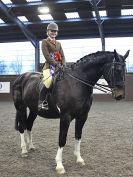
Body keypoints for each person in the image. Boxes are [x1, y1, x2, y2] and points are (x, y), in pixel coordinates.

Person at [38, 22, 66, 110]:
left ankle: (61, 102)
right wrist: (56, 64)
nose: (54, 32)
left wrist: (63, 65)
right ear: (48, 31)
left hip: (60, 67)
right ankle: (42, 102)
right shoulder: (44, 42)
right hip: (49, 66)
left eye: (55, 31)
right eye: (52, 31)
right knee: (49, 81)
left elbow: (63, 56)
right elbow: (47, 56)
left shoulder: (58, 43)